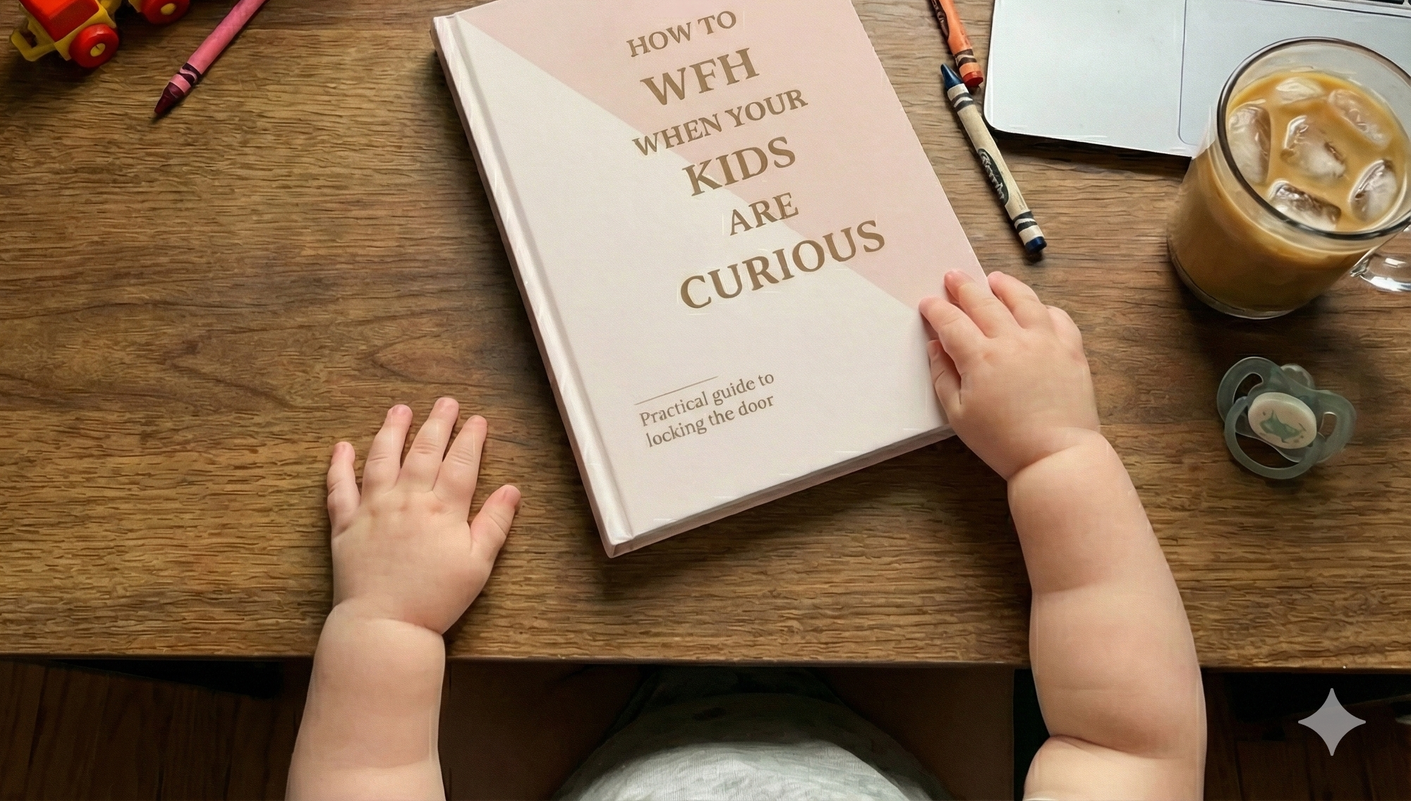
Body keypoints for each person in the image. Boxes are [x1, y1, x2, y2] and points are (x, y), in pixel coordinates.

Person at [285, 271, 1206, 800]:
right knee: (944, 558)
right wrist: (1057, 451)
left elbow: (369, 770)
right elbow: (1127, 746)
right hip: (893, 744)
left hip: (577, 761)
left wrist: (385, 619)